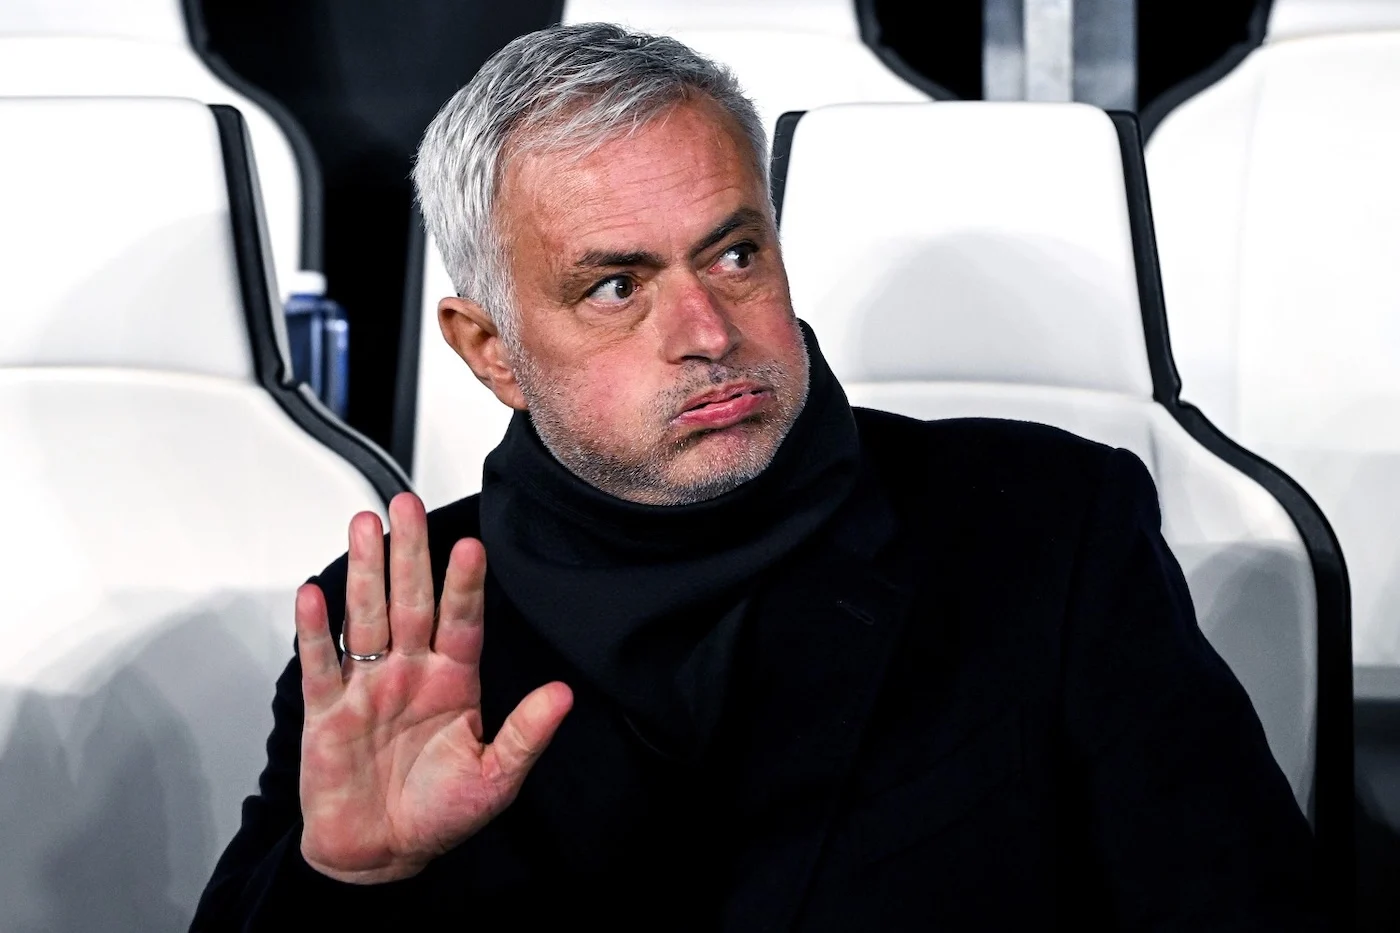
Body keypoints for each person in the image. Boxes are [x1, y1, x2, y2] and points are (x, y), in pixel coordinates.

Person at [192, 22, 1324, 931]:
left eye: (735, 254)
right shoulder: (399, 621)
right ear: (490, 351)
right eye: (615, 287)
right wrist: (347, 886)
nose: (707, 332)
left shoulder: (1046, 530)